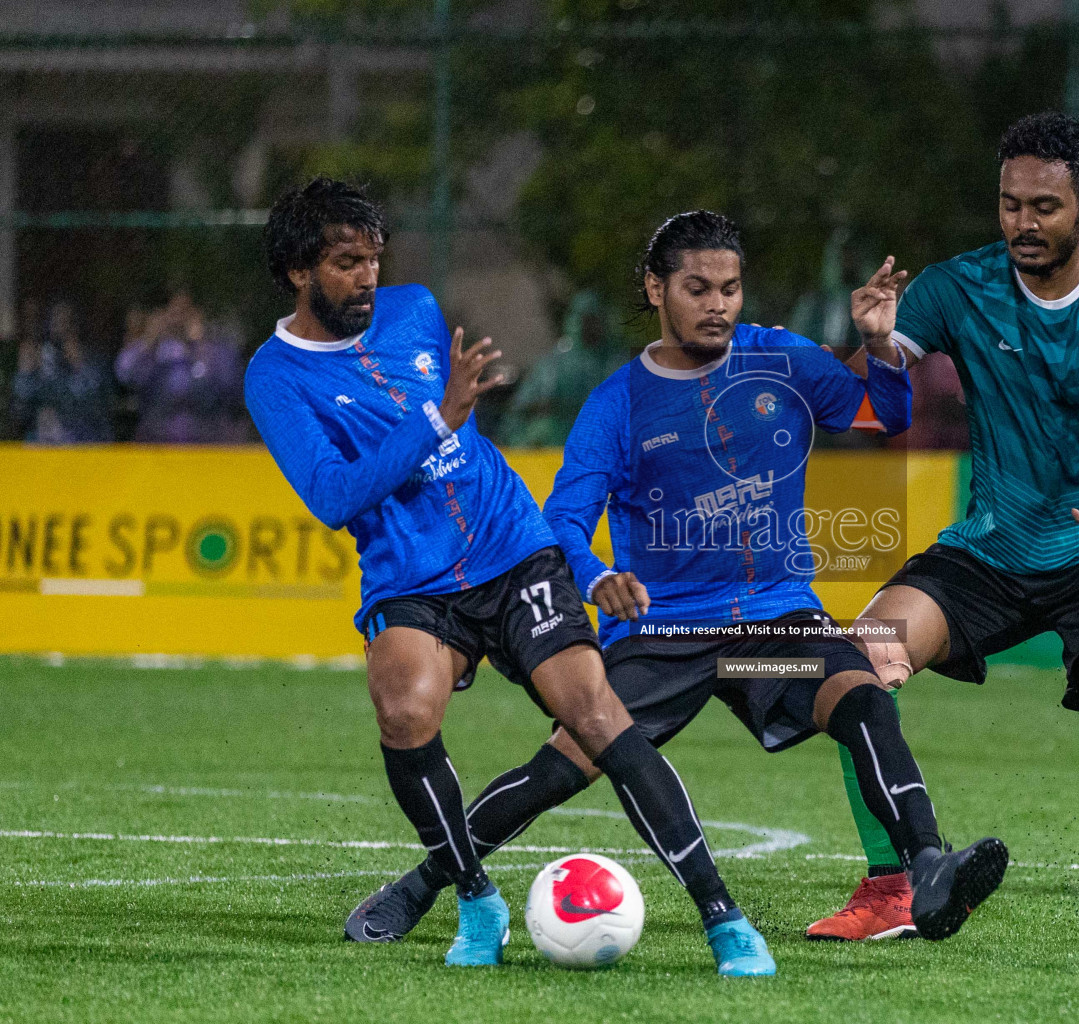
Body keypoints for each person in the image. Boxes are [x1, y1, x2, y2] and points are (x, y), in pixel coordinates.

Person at [349, 210, 1009, 950]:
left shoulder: (781, 361)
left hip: (770, 627)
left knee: (859, 698)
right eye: (698, 288)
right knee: (561, 770)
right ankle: (423, 885)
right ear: (656, 289)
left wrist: (881, 344)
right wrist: (597, 575)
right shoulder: (618, 402)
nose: (718, 304)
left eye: (730, 288)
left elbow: (881, 413)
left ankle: (928, 867)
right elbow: (563, 522)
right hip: (662, 637)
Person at [246, 178, 768, 975]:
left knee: (595, 714)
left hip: (512, 548)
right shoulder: (275, 376)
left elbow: (459, 436)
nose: (368, 278)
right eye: (347, 263)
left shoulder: (414, 308)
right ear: (297, 271)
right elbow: (332, 495)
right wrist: (436, 420)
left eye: (374, 259)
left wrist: (451, 430)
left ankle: (724, 919)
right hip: (411, 580)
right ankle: (474, 898)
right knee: (405, 709)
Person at [811, 112, 1079, 949]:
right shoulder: (959, 286)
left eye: (1043, 207)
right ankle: (890, 886)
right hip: (990, 549)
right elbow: (862, 406)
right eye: (1008, 206)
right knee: (855, 663)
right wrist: (875, 346)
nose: (1022, 225)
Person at [496, 290, 624, 448]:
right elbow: (518, 413)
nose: (587, 326)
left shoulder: (617, 364)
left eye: (592, 319)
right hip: (551, 451)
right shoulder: (551, 367)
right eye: (582, 318)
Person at [116, 289, 247, 443]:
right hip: (156, 445)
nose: (179, 319)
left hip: (208, 445)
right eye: (173, 312)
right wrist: (150, 339)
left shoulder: (216, 351)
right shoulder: (153, 350)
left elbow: (231, 385)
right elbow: (124, 375)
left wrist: (200, 345)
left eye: (184, 312)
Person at [11, 300, 114, 444]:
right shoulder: (41, 357)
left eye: (66, 322)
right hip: (44, 446)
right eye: (56, 322)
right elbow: (21, 406)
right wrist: (26, 371)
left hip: (83, 445)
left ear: (76, 327)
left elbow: (95, 402)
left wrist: (79, 364)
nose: (60, 329)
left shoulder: (94, 360)